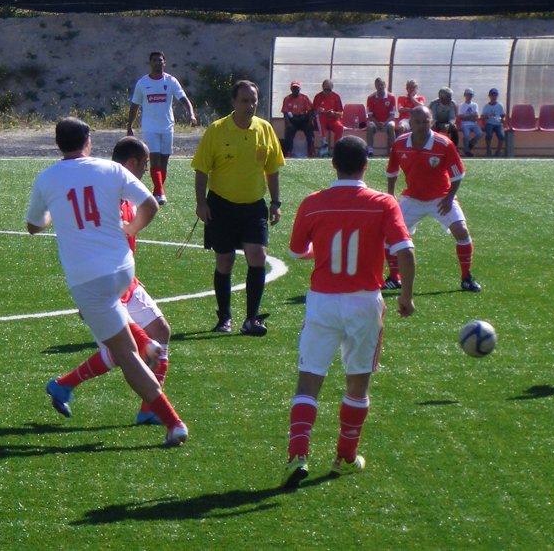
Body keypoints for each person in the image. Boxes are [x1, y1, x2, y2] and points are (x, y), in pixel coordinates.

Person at [26, 117, 187, 447]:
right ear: (88, 140)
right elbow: (150, 204)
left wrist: (54, 213)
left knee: (125, 355)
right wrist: (132, 229)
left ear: (58, 144)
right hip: (123, 269)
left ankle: (173, 423)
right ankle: (140, 350)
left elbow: (33, 226)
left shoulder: (46, 179)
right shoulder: (110, 168)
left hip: (88, 280)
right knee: (124, 341)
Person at [282, 135, 415, 488]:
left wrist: (321, 251)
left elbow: (296, 251)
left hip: (323, 301)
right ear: (366, 166)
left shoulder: (313, 202)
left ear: (333, 164)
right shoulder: (383, 203)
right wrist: (406, 296)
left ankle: (298, 454)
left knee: (309, 379)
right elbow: (405, 251)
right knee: (358, 382)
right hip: (364, 302)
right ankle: (344, 457)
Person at [192, 80, 286, 336]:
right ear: (234, 102)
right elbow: (201, 169)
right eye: (244, 100)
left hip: (254, 207)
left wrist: (276, 202)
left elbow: (272, 170)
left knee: (258, 256)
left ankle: (251, 318)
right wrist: (201, 203)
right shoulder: (217, 130)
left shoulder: (265, 129)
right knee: (225, 261)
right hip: (221, 206)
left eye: (254, 101)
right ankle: (224, 318)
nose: (250, 105)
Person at [383, 106, 481, 293]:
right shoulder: (400, 143)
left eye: (425, 122)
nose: (422, 126)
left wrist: (449, 198)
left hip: (441, 198)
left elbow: (457, 175)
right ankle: (394, 277)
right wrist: (391, 196)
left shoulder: (443, 144)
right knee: (389, 235)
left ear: (432, 123)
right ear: (410, 123)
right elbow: (392, 172)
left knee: (461, 231)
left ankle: (466, 277)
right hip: (412, 199)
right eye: (417, 122)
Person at [126, 51, 198, 205]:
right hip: (150, 127)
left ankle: (157, 190)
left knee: (164, 161)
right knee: (154, 158)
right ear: (150, 63)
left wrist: (191, 114)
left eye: (160, 60)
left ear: (164, 62)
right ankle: (160, 192)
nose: (157, 63)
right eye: (154, 60)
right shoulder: (142, 83)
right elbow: (135, 105)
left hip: (167, 126)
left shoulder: (171, 81)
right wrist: (129, 126)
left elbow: (183, 99)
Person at [280, 81, 316, 157]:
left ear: (299, 89)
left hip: (303, 119)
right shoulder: (287, 99)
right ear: (291, 89)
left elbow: (310, 111)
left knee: (309, 130)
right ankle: (288, 151)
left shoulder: (304, 98)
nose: (295, 90)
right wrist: (288, 123)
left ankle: (311, 151)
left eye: (297, 88)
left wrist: (310, 122)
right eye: (293, 88)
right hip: (293, 120)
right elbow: (285, 113)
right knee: (289, 131)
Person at [365, 77, 397, 155]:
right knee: (370, 126)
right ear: (375, 86)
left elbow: (392, 114)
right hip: (375, 122)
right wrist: (377, 123)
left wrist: (385, 123)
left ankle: (393, 150)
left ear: (385, 85)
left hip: (387, 121)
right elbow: (370, 115)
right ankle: (370, 150)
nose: (380, 87)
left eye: (382, 85)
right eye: (378, 85)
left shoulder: (391, 97)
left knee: (391, 126)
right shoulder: (370, 98)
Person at [312, 78, 345, 155]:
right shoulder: (318, 97)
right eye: (325, 89)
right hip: (321, 121)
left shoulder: (336, 97)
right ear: (322, 88)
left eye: (329, 90)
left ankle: (337, 149)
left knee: (340, 127)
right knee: (319, 116)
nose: (327, 91)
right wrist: (318, 111)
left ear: (332, 88)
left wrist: (333, 113)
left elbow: (340, 114)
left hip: (332, 120)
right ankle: (324, 144)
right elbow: (314, 113)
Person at [481, 88, 506, 158]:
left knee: (501, 136)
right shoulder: (486, 106)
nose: (494, 97)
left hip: (498, 124)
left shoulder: (500, 106)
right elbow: (482, 116)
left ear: (497, 96)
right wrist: (487, 116)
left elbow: (503, 115)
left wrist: (502, 120)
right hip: (489, 123)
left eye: (495, 95)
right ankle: (488, 151)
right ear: (489, 96)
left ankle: (498, 151)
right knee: (488, 135)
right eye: (492, 95)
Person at [458, 88, 483, 156]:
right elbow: (461, 117)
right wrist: (471, 116)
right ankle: (466, 150)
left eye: (471, 95)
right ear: (465, 95)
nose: (469, 96)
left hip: (473, 123)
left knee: (480, 133)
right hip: (464, 124)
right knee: (466, 135)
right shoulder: (461, 105)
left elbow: (476, 116)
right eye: (468, 94)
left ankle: (471, 143)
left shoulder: (475, 105)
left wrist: (466, 116)